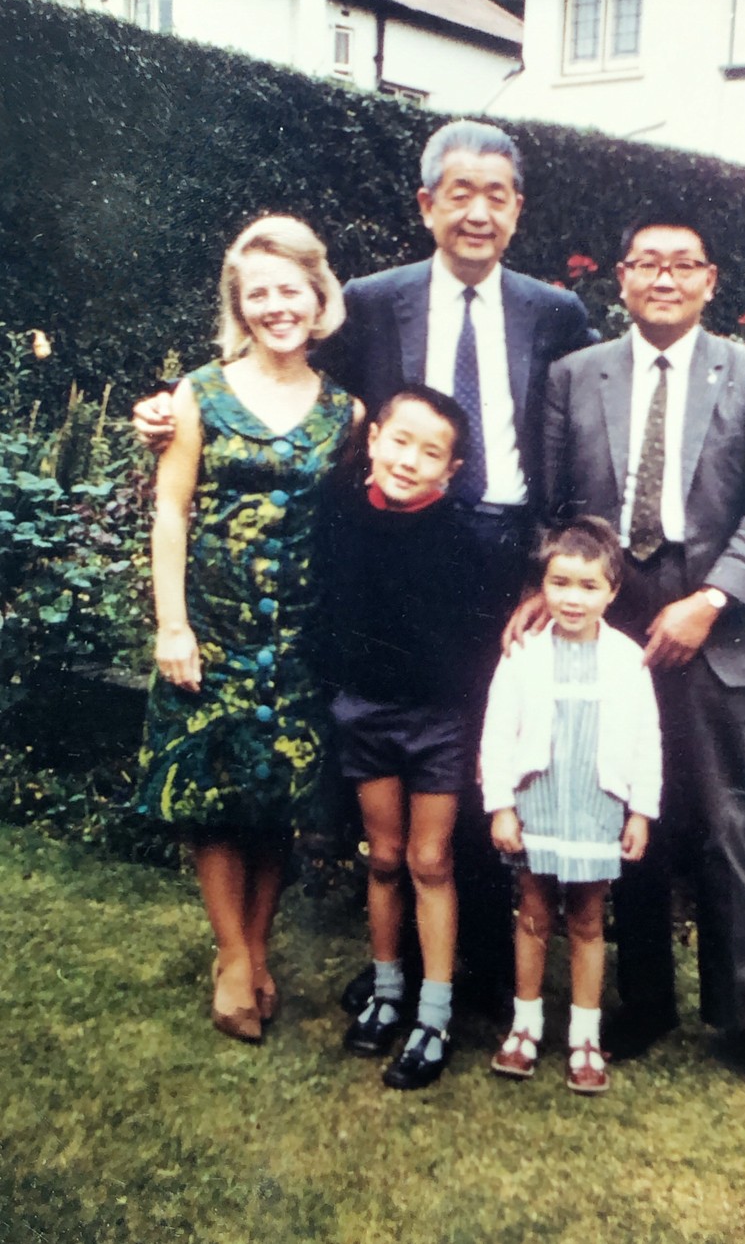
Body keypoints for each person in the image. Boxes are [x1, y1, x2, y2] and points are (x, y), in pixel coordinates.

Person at [134, 120, 597, 1015]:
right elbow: (277, 373)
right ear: (425, 205)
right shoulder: (377, 303)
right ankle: (412, 970)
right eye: (457, 192)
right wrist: (168, 409)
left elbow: (574, 442)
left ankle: (486, 971)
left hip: (504, 556)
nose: (477, 211)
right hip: (396, 555)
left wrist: (551, 566)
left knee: (484, 758)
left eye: (495, 195)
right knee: (399, 754)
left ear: (518, 211)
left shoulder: (556, 313)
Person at [530, 215, 745, 1100]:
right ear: (621, 277)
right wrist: (559, 593)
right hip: (608, 615)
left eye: (682, 264)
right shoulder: (577, 375)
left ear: (710, 280)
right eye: (647, 263)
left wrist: (711, 599)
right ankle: (644, 1002)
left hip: (710, 612)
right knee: (626, 802)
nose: (664, 278)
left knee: (723, 821)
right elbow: (550, 505)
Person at [137, 214, 360, 1043]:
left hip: (301, 638)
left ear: (317, 296)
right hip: (216, 627)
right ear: (241, 304)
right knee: (213, 795)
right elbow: (171, 507)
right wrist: (173, 625)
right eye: (257, 292)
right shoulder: (199, 394)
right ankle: (233, 957)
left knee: (278, 799)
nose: (276, 306)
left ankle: (257, 948)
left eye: (289, 290)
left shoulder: (347, 412)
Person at [321, 384, 486, 1090]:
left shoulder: (466, 540)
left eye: (431, 452)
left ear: (451, 471)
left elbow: (479, 645)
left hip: (439, 724)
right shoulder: (340, 517)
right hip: (365, 714)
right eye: (400, 441)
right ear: (374, 438)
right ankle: (387, 994)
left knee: (428, 861)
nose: (410, 460)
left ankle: (434, 1014)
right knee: (383, 857)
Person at [481, 517, 661, 1095]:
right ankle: (525, 1026)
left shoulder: (628, 659)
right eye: (560, 583)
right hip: (540, 803)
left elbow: (646, 740)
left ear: (612, 591)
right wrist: (501, 805)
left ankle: (585, 1036)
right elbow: (497, 733)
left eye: (588, 586)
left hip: (596, 805)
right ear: (543, 585)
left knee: (586, 921)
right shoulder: (525, 652)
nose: (573, 598)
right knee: (533, 915)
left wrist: (641, 812)